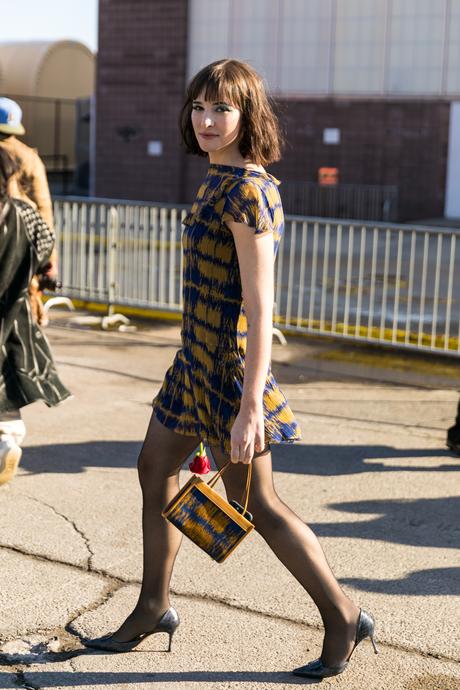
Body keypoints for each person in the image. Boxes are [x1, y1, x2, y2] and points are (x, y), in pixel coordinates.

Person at [85, 59, 377, 679]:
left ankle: (342, 615)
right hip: (192, 363)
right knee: (153, 468)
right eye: (198, 107)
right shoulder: (217, 180)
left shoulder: (247, 188)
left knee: (259, 504)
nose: (207, 120)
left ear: (248, 115)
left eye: (221, 109)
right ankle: (154, 604)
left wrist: (249, 406)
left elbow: (261, 303)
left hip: (228, 371)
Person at [0, 148, 70, 486]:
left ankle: (5, 442)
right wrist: (41, 271)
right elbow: (45, 244)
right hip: (16, 311)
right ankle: (9, 439)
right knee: (10, 375)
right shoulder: (23, 212)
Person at [0, 97, 57, 325]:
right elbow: (44, 209)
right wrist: (50, 263)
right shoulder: (30, 158)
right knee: (22, 306)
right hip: (24, 242)